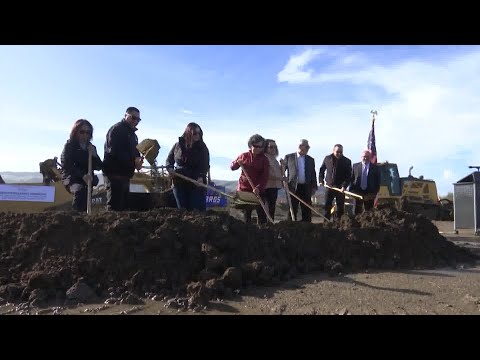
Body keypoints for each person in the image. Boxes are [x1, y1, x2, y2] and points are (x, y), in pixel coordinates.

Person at [102, 107, 143, 211]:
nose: (136, 121)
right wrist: (133, 161)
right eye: (133, 118)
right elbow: (114, 151)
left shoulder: (133, 135)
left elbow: (135, 152)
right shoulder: (117, 129)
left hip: (125, 174)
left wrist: (138, 161)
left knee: (123, 206)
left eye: (138, 119)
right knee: (115, 206)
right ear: (126, 116)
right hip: (114, 173)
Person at [166, 122, 210, 211]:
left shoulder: (202, 148)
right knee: (182, 209)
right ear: (188, 133)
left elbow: (205, 164)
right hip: (179, 181)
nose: (197, 135)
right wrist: (170, 168)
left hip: (195, 182)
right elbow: (169, 159)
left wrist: (201, 176)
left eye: (199, 133)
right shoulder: (178, 145)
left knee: (195, 209)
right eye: (195, 133)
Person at [60, 119, 103, 212]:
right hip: (72, 177)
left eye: (88, 132)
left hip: (87, 180)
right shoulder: (69, 146)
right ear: (75, 132)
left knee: (86, 198)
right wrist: (82, 175)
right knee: (79, 191)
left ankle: (85, 218)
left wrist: (94, 154)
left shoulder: (91, 147)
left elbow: (99, 166)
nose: (85, 135)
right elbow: (66, 164)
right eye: (82, 132)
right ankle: (77, 217)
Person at [231, 134, 270, 224]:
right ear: (250, 145)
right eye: (255, 146)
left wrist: (258, 188)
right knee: (246, 215)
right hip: (244, 190)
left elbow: (264, 177)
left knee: (261, 215)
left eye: (260, 147)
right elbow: (232, 167)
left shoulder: (264, 160)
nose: (257, 148)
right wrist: (237, 163)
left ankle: (263, 233)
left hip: (257, 191)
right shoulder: (243, 156)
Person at [283, 139, 318, 222]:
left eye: (307, 147)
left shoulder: (310, 160)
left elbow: (313, 173)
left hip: (306, 188)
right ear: (300, 146)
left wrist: (314, 187)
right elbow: (282, 170)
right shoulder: (289, 157)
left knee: (306, 209)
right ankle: (291, 227)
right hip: (293, 188)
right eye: (305, 147)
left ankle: (306, 228)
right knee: (292, 209)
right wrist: (283, 181)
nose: (306, 149)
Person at [319, 144, 352, 220]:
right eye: (337, 152)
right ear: (333, 151)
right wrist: (321, 180)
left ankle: (338, 224)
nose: (339, 154)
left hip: (340, 188)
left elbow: (348, 176)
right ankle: (326, 223)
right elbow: (322, 170)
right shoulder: (327, 159)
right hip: (329, 186)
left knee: (340, 208)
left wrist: (344, 186)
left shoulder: (347, 161)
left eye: (341, 152)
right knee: (327, 207)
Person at [350, 149, 381, 214]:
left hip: (369, 194)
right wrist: (352, 191)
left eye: (367, 156)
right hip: (357, 193)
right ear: (361, 157)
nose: (365, 158)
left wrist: (373, 194)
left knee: (369, 213)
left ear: (370, 158)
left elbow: (378, 182)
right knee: (356, 212)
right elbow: (352, 179)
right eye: (364, 156)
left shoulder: (375, 168)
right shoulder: (355, 166)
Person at [263, 139, 283, 221]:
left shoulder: (275, 160)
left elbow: (280, 174)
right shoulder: (264, 159)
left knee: (272, 208)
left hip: (274, 187)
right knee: (265, 209)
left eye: (275, 147)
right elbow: (266, 174)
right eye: (271, 147)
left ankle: (270, 225)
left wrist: (283, 166)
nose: (273, 149)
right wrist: (279, 178)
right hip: (265, 186)